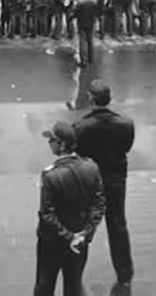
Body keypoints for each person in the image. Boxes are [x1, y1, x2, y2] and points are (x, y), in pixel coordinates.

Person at [72, 79, 136, 285]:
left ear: (91, 98)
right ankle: (124, 273)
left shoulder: (81, 126)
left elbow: (78, 153)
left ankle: (75, 272)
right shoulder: (126, 124)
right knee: (117, 223)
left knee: (84, 225)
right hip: (116, 179)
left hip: (90, 180)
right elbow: (126, 147)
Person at [35, 120, 105, 296]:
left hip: (52, 242)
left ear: (62, 144)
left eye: (52, 140)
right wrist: (84, 234)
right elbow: (99, 205)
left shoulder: (51, 175)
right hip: (80, 241)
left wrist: (68, 236)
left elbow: (47, 214)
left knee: (45, 284)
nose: (49, 143)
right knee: (74, 285)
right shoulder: (92, 168)